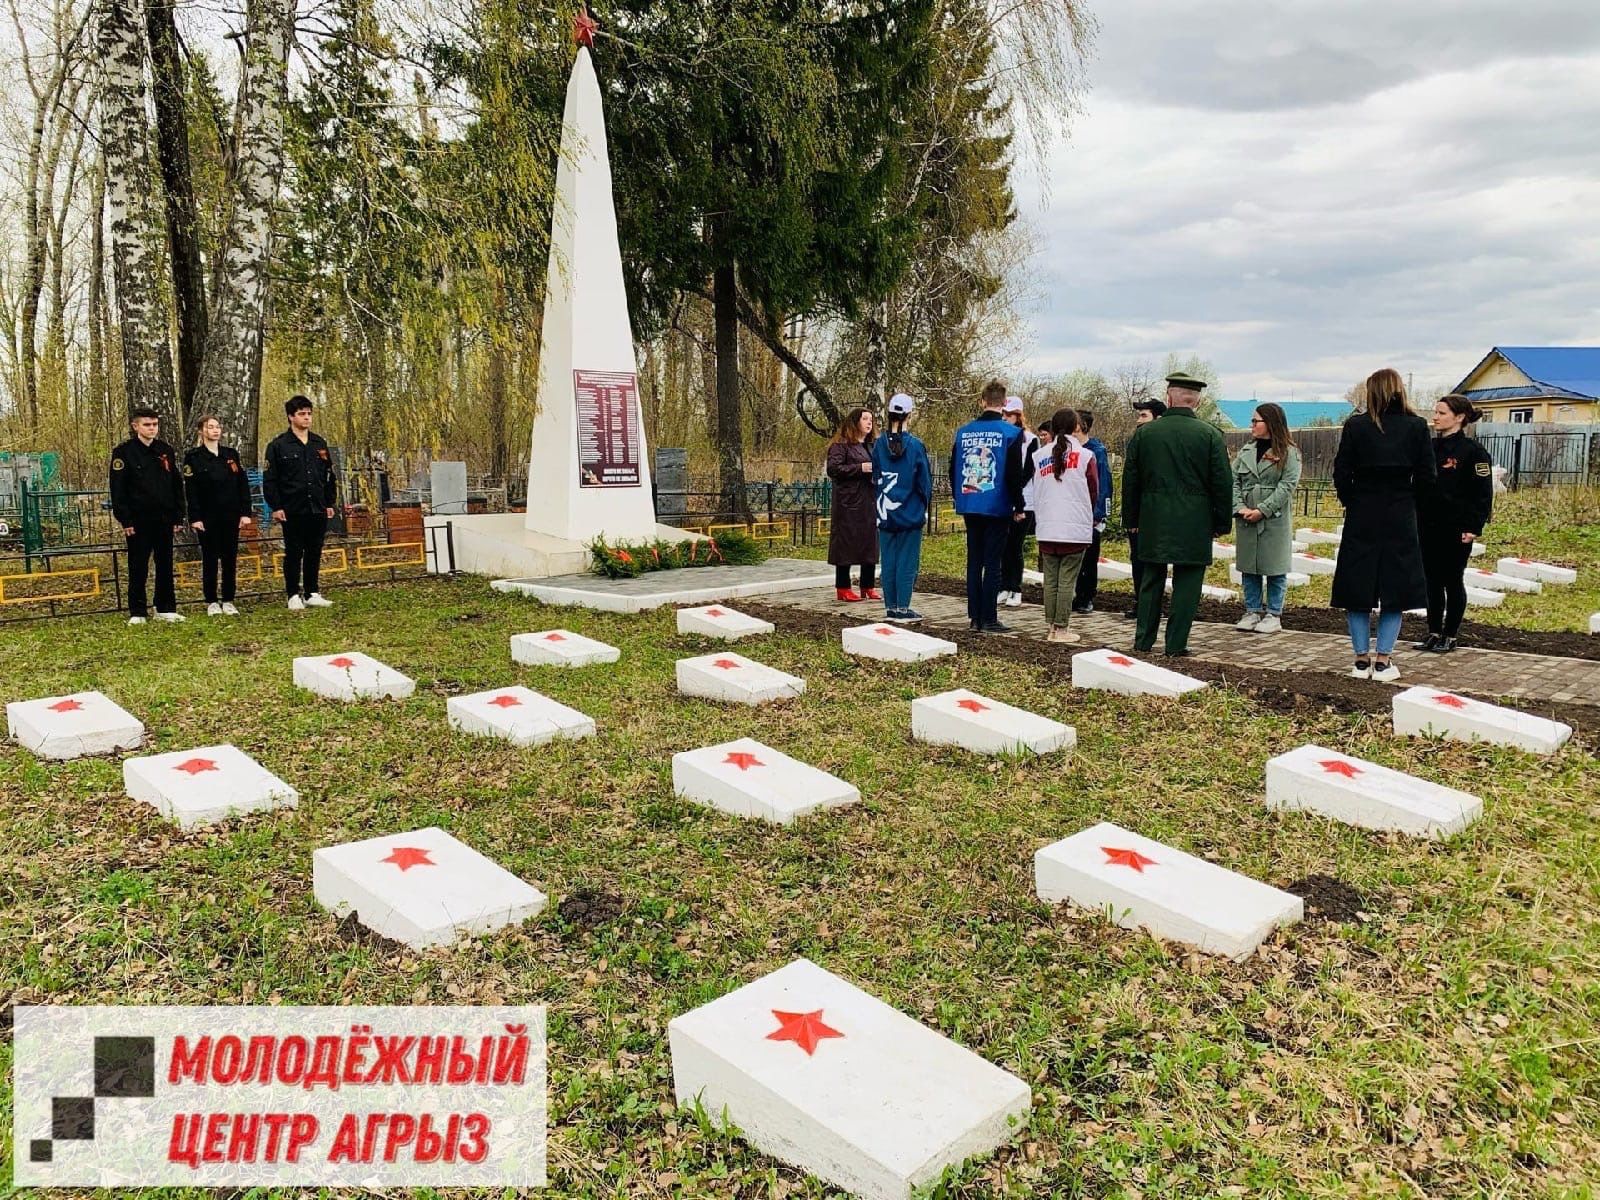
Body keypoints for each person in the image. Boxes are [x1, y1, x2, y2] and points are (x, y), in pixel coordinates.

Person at [1330, 368, 1435, 681]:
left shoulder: (1356, 426)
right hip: (1400, 514)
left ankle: (1360, 660)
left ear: (1371, 392)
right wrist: (1412, 504)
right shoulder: (1416, 426)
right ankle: (1384, 660)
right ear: (1399, 390)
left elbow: (1340, 472)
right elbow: (1428, 477)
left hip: (1363, 513)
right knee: (1396, 589)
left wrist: (1354, 500)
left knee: (1357, 587)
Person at [1120, 373, 1231, 656]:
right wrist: (1221, 522)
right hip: (1195, 519)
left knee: (1150, 579)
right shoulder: (1210, 435)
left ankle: (1143, 640)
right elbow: (1222, 482)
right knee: (1189, 582)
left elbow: (1130, 480)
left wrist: (1131, 519)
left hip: (1153, 517)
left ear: (1169, 397)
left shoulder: (1145, 434)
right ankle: (1176, 643)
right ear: (1197, 401)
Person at [1414, 394, 1493, 654]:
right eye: (1435, 412)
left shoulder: (1473, 452)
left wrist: (1474, 526)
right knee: (1431, 581)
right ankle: (1433, 632)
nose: (1435, 417)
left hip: (1457, 528)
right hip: (1427, 525)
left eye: (1441, 413)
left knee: (1451, 579)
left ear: (1459, 418)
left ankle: (1450, 634)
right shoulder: (1428, 449)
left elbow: (1483, 493)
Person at [950, 379, 1027, 633]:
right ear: (1004, 404)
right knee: (993, 562)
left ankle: (974, 617)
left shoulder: (963, 432)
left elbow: (953, 469)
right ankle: (989, 618)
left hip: (970, 500)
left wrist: (958, 496)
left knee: (974, 560)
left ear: (982, 401)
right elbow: (1014, 474)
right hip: (997, 503)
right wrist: (1019, 505)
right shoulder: (1012, 434)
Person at [109, 406, 186, 625]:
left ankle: (165, 607)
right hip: (138, 520)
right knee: (138, 565)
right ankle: (138, 611)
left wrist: (178, 515)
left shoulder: (165, 450)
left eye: (155, 424)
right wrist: (125, 519)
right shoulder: (123, 453)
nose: (152, 429)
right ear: (135, 426)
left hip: (164, 518)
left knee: (165, 563)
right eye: (147, 425)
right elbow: (118, 488)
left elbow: (175, 484)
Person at [1230, 402, 1302, 635]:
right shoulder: (1246, 451)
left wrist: (1263, 509)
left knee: (1274, 567)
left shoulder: (1289, 453)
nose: (1251, 426)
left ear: (1270, 423)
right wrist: (1239, 507)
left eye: (1255, 421)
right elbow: (1234, 481)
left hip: (1273, 518)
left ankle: (1273, 613)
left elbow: (1287, 486)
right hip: (1246, 516)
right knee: (1249, 566)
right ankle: (1251, 610)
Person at [263, 394, 338, 611]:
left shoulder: (318, 443)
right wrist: (276, 506)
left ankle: (312, 591)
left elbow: (328, 475)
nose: (306, 418)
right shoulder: (278, 446)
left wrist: (329, 502)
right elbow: (270, 479)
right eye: (301, 414)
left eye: (309, 414)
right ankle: (293, 594)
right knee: (294, 551)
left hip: (317, 506)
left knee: (315, 549)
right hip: (292, 508)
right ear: (290, 417)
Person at [1031, 408, 1100, 644]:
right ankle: (1061, 628)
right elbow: (1093, 490)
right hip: (1074, 528)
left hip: (1047, 525)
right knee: (1067, 581)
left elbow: (1037, 488)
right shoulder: (1085, 456)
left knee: (1050, 580)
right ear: (1076, 427)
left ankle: (1051, 625)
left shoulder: (1039, 456)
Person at [183, 414, 254, 616]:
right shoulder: (194, 457)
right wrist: (195, 517)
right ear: (201, 431)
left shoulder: (230, 454)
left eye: (217, 427)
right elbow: (192, 489)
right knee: (210, 558)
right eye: (210, 427)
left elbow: (242, 484)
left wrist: (245, 512)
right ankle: (212, 600)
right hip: (207, 517)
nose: (215, 430)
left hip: (231, 515)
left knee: (230, 558)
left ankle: (229, 599)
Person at [871, 392, 933, 621]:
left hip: (885, 510)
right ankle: (903, 607)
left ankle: (890, 607)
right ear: (909, 414)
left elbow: (875, 476)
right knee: (907, 561)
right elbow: (924, 482)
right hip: (910, 511)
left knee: (888, 561)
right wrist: (923, 505)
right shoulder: (916, 446)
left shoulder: (878, 444)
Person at [826, 406, 879, 602]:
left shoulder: (871, 446)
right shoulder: (841, 446)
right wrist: (860, 468)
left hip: (869, 501)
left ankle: (868, 585)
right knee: (846, 545)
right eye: (865, 419)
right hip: (847, 504)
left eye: (871, 420)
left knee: (869, 543)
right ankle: (843, 587)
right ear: (855, 421)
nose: (869, 423)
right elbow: (833, 469)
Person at [1122, 397, 1167, 620]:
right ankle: (1142, 601)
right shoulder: (1137, 441)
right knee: (1138, 560)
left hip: (1158, 514)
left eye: (1144, 416)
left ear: (1158, 418)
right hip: (1140, 514)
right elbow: (1130, 482)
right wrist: (1131, 518)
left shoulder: (1162, 443)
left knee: (1154, 561)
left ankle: (1152, 603)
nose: (1139, 421)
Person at [998, 396, 1039, 609]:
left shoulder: (1030, 439)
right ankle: (1004, 585)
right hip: (1004, 499)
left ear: (1018, 416)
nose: (1006, 418)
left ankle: (1016, 588)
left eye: (1010, 415)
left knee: (1015, 545)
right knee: (1004, 545)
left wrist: (1017, 497)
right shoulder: (1001, 437)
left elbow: (1028, 471)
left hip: (1024, 500)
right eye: (1003, 414)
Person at [1071, 409, 1112, 615]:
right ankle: (1076, 594)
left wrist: (1099, 514)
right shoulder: (1069, 449)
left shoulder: (1096, 450)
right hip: (1073, 512)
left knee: (1089, 558)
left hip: (1091, 514)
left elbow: (1103, 483)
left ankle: (1086, 596)